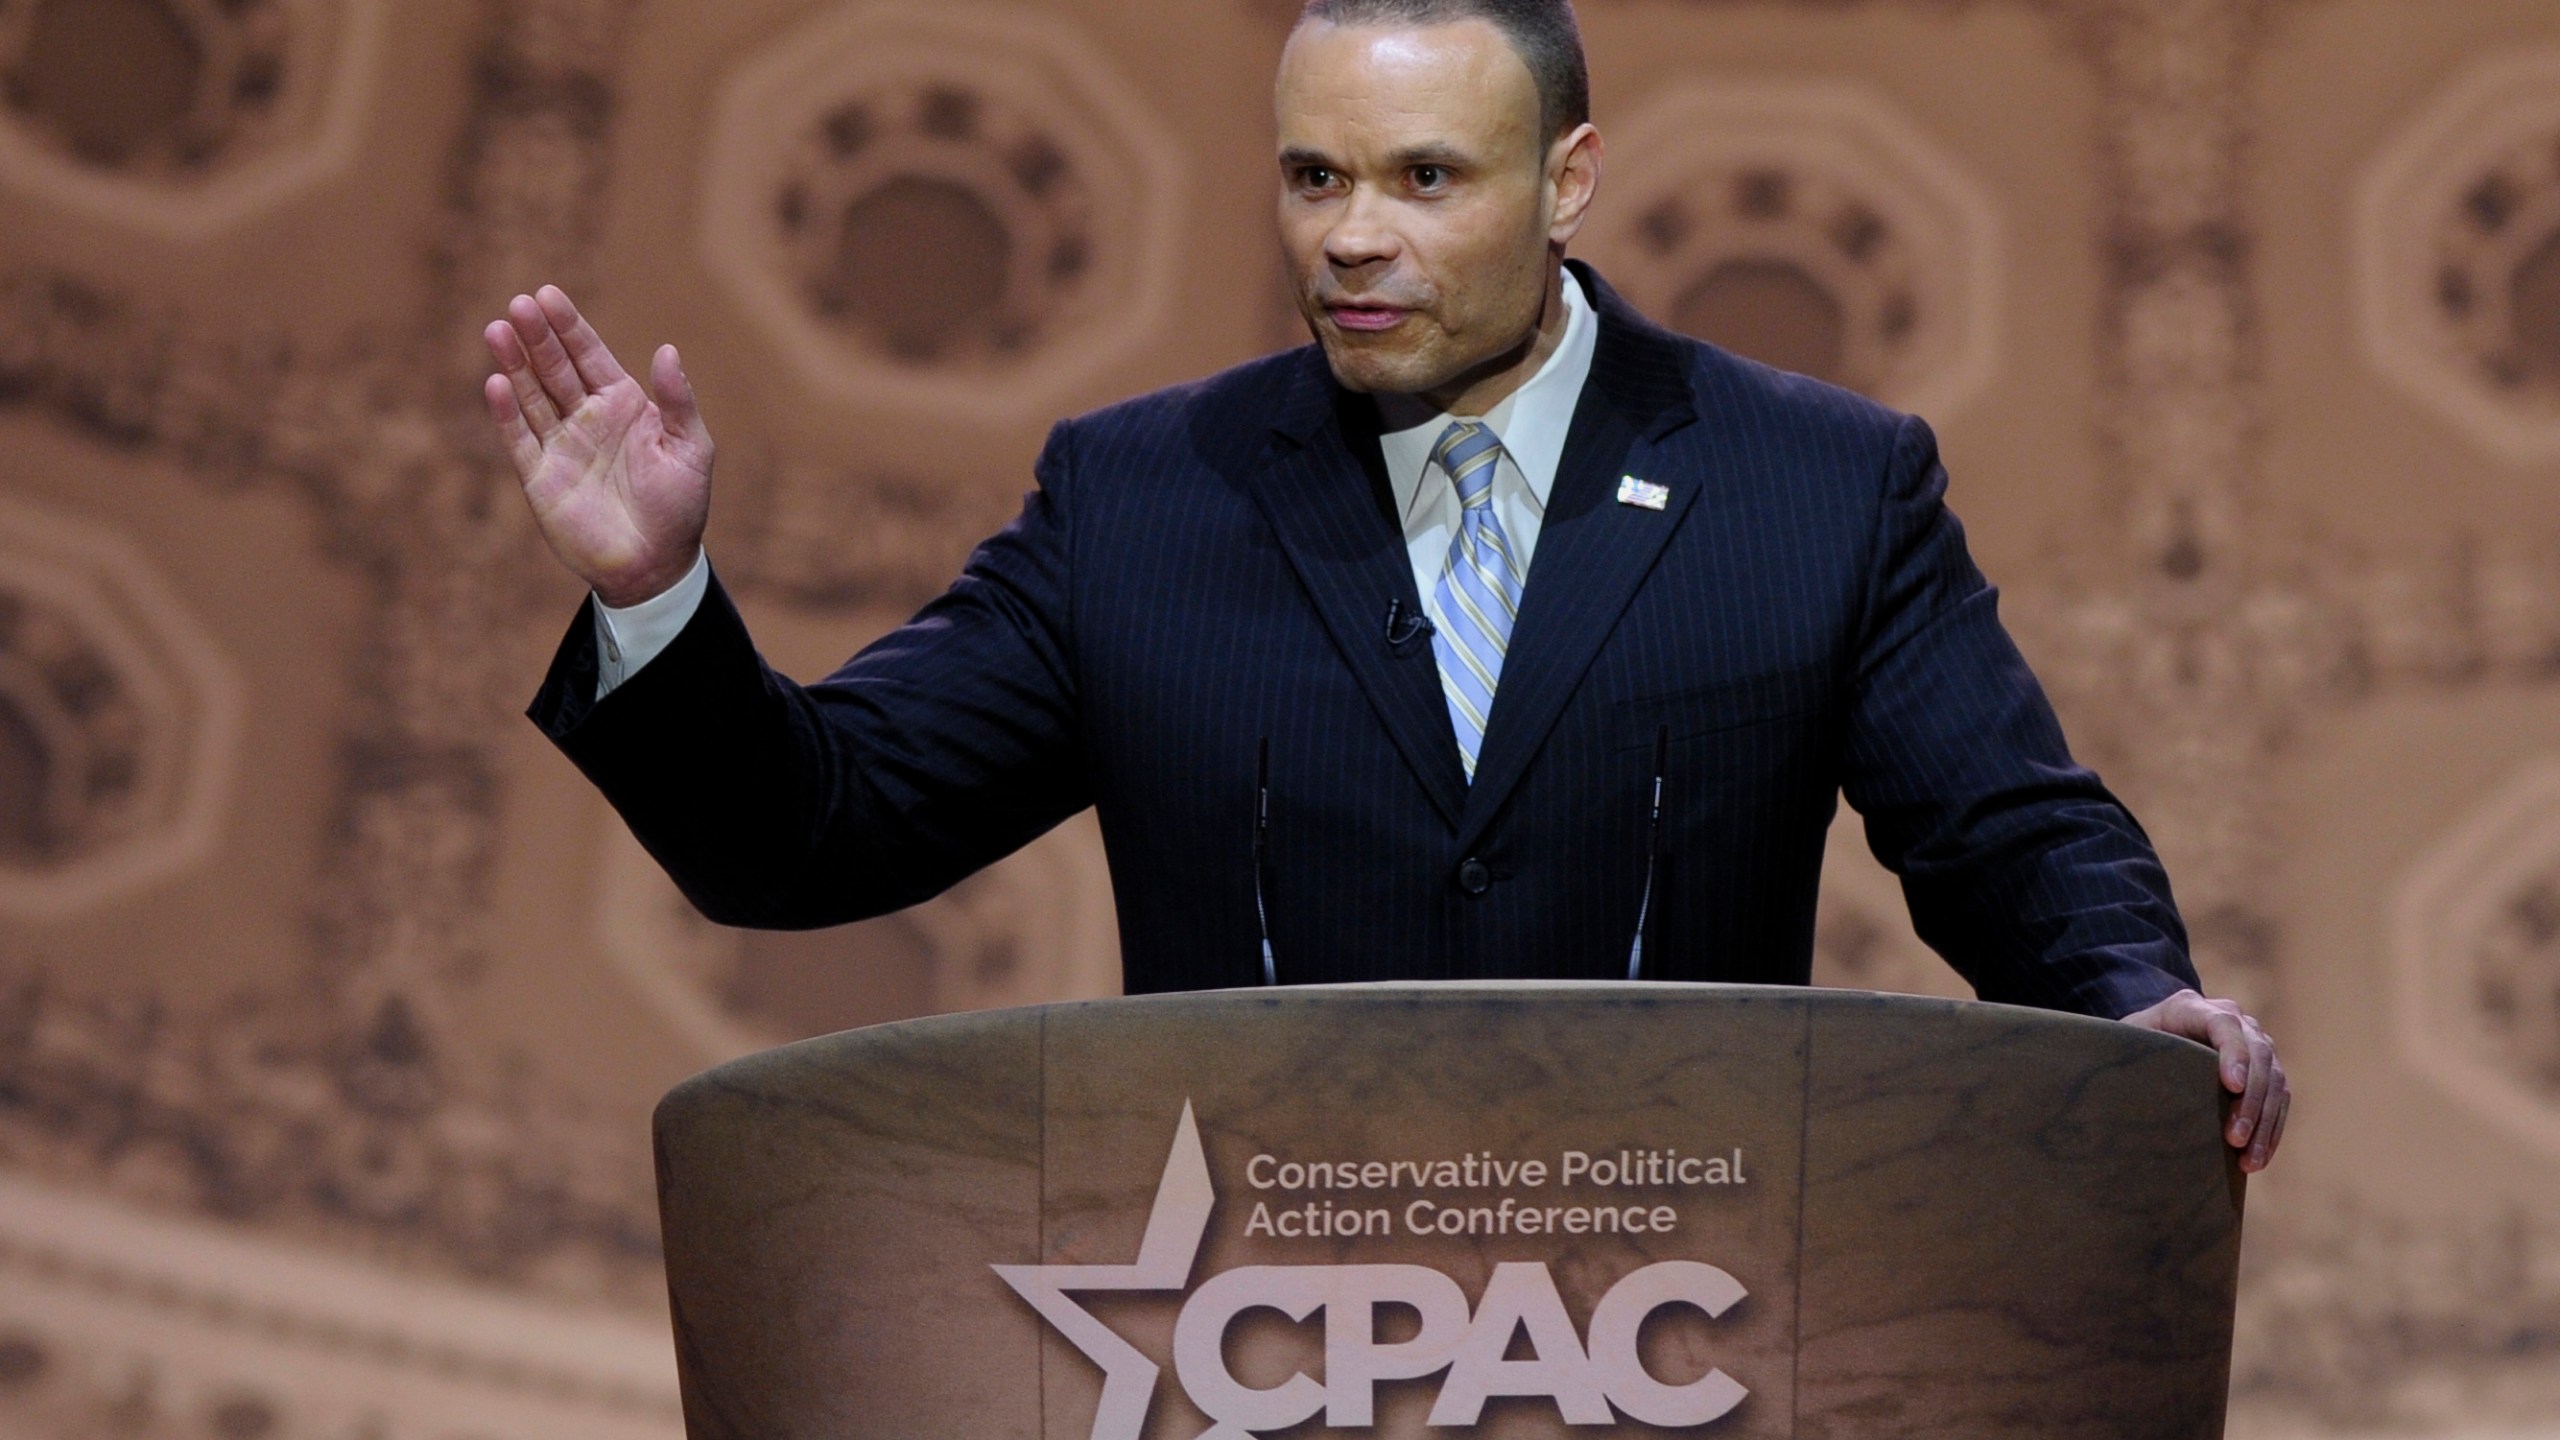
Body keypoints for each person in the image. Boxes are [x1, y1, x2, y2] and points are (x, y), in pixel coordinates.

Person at [483, 0, 2288, 1170]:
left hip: (1681, 1323)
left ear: (1571, 178)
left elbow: (2008, 833)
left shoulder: (1818, 484)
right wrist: (661, 598)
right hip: (1245, 1345)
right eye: (1315, 175)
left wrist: (2138, 1004)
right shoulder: (1139, 500)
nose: (1356, 235)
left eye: (1428, 178)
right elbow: (813, 833)